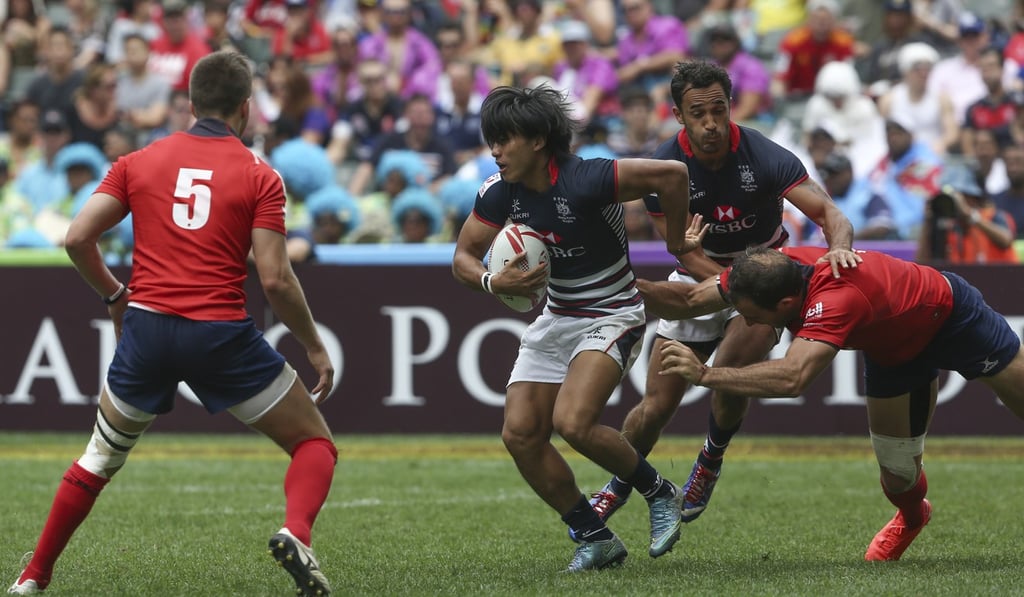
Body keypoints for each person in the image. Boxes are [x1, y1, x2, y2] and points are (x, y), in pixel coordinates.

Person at [7, 51, 337, 597]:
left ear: (190, 103)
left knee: (99, 457)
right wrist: (314, 347)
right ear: (246, 110)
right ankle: (295, 531)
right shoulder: (260, 175)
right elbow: (276, 279)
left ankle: (32, 577)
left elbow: (75, 239)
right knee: (314, 444)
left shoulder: (139, 161)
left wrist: (115, 295)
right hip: (220, 335)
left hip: (148, 331)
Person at [585, 60, 859, 536]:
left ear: (730, 106)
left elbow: (831, 215)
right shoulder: (663, 168)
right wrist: (721, 277)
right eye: (699, 114)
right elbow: (680, 249)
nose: (711, 124)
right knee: (655, 407)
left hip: (767, 280)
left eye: (719, 110)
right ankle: (620, 481)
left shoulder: (767, 157)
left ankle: (710, 459)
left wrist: (839, 246)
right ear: (678, 115)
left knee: (728, 376)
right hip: (701, 272)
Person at [451, 85, 701, 572]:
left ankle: (660, 492)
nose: (496, 151)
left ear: (539, 139)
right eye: (492, 140)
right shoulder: (500, 192)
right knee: (520, 434)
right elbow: (461, 258)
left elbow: (673, 175)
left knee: (572, 423)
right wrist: (490, 280)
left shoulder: (588, 177)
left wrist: (676, 243)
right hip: (558, 315)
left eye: (505, 139)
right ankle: (594, 535)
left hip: (613, 312)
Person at [652, 244, 1024, 561]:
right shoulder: (764, 270)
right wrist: (617, 290)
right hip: (892, 352)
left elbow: (793, 377)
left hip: (954, 319)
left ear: (785, 303)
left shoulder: (835, 300)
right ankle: (912, 518)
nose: (747, 323)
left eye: (753, 316)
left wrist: (704, 375)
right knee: (897, 477)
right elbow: (690, 299)